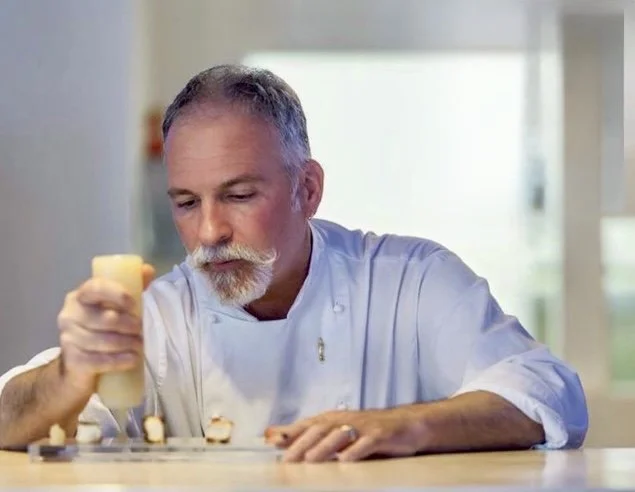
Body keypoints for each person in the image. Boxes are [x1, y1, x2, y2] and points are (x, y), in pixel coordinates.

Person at [0, 65, 588, 462]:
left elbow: (550, 391)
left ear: (307, 190)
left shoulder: (409, 279)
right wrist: (69, 375)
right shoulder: (160, 317)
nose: (209, 232)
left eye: (238, 195)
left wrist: (406, 426)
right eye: (186, 203)